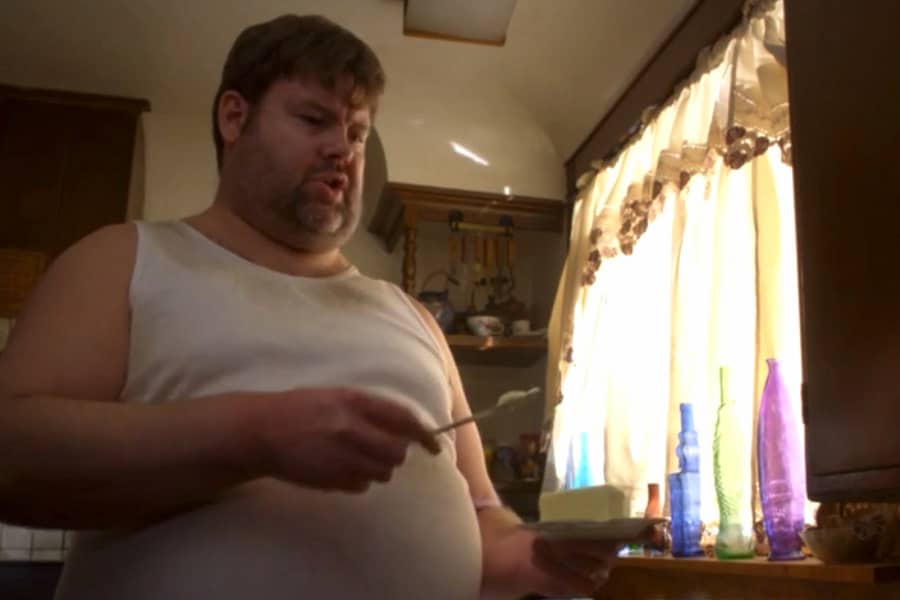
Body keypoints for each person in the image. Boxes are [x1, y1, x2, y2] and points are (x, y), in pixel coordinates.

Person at [0, 14, 617, 600]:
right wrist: (256, 436)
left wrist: (536, 557)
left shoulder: (413, 317)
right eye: (314, 119)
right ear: (234, 118)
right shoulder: (124, 260)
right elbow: (13, 457)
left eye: (356, 133)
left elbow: (483, 517)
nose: (342, 149)